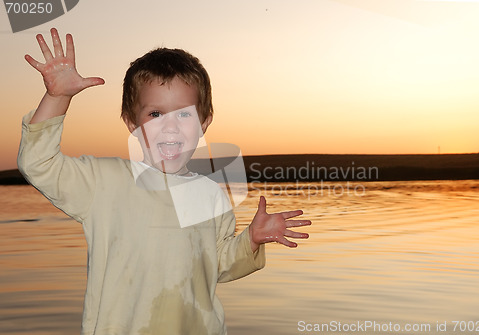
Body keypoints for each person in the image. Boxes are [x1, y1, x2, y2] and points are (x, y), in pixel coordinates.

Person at [18, 28, 311, 335]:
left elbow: (219, 265)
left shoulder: (211, 195)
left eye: (184, 115)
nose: (170, 126)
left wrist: (250, 240)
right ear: (132, 122)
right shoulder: (103, 182)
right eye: (156, 113)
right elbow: (39, 164)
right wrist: (58, 97)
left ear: (204, 123)